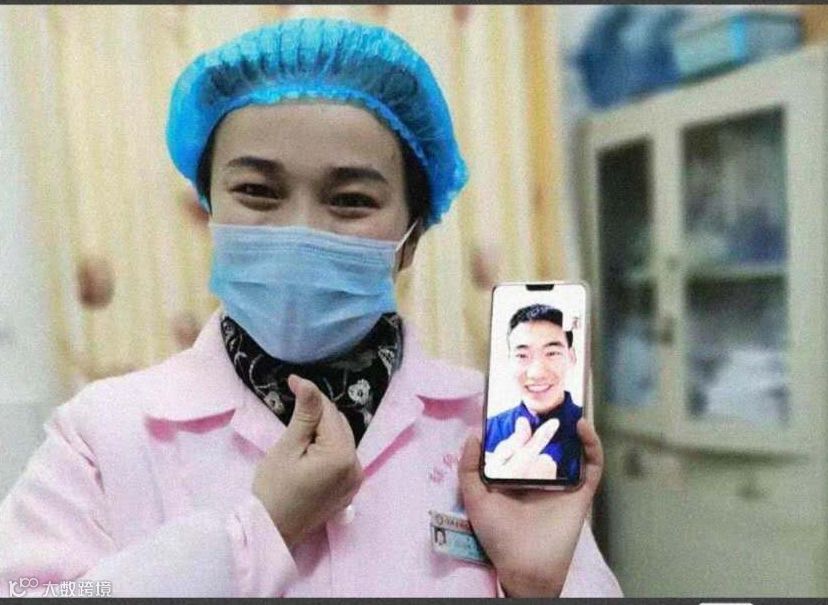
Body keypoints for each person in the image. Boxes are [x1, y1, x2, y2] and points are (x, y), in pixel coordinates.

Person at [0, 18, 622, 598]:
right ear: (209, 209)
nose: (299, 229)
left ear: (411, 239)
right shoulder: (104, 432)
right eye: (256, 191)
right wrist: (256, 532)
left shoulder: (494, 431)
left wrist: (538, 587)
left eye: (350, 200)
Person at [484, 304, 583, 482]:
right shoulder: (485, 432)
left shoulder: (595, 432)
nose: (536, 373)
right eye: (522, 355)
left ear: (571, 357)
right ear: (509, 361)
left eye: (551, 353)